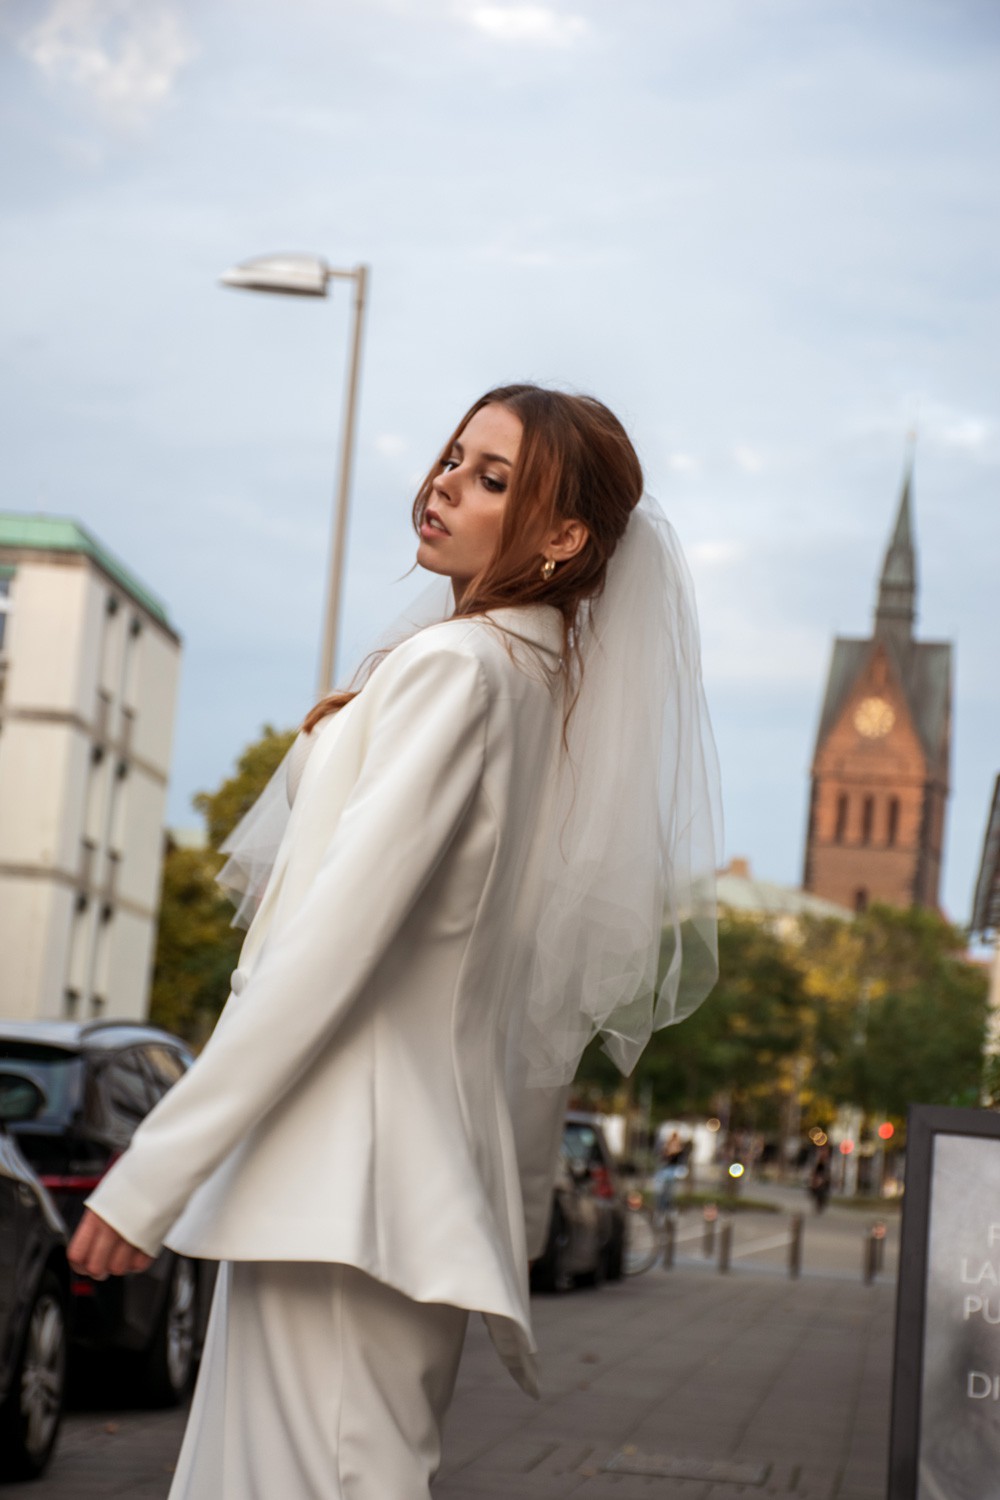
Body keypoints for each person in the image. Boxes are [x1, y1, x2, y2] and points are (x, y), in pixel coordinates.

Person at [67, 384, 720, 1499]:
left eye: (494, 479)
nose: (446, 484)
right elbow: (505, 990)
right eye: (454, 458)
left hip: (342, 1193)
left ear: (565, 539)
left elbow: (328, 948)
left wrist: (152, 1176)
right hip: (379, 1196)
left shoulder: (458, 672)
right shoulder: (526, 687)